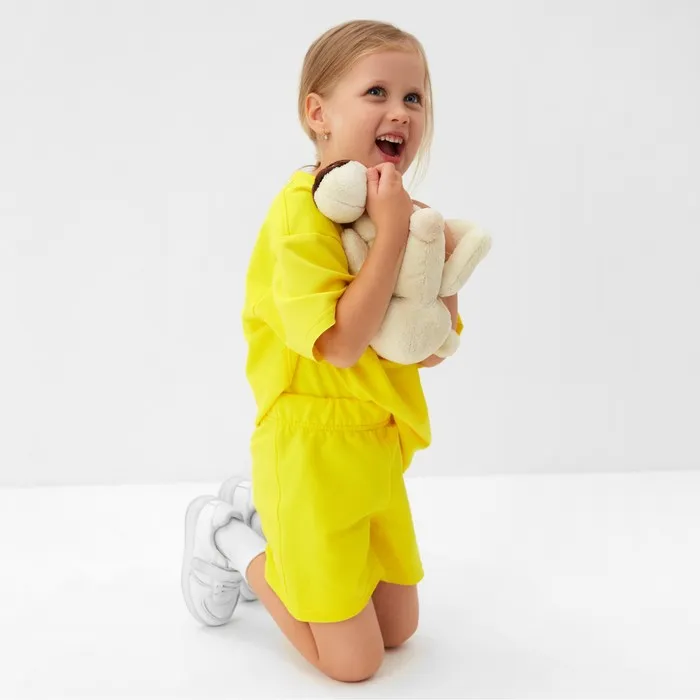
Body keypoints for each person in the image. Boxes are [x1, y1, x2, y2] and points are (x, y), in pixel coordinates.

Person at [180, 19, 465, 683]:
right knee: (353, 663)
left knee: (400, 630)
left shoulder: (393, 211)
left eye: (414, 97)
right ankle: (227, 537)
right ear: (318, 113)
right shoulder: (302, 214)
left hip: (375, 447)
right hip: (310, 448)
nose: (401, 111)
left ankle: (272, 527)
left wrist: (440, 269)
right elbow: (338, 344)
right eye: (377, 93)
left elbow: (427, 352)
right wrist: (392, 236)